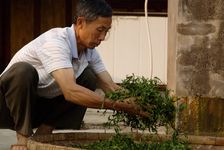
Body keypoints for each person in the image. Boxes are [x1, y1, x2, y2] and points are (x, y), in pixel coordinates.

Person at [0, 0, 143, 149]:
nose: (102, 37)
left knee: (88, 76)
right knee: (23, 71)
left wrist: (137, 102)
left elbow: (110, 86)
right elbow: (70, 91)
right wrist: (118, 106)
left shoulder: (90, 52)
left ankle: (43, 133)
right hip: (7, 108)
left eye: (106, 31)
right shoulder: (55, 42)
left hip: (37, 108)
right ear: (81, 22)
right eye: (100, 30)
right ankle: (22, 139)